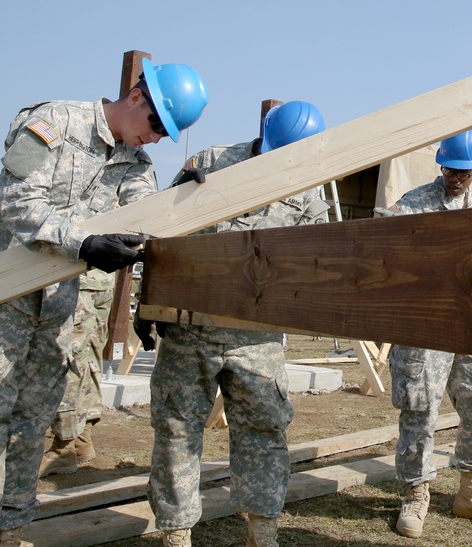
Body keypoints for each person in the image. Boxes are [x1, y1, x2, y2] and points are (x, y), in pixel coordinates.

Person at [0, 59, 209, 544]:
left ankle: (10, 527)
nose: (156, 138)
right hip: (8, 301)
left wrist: (176, 200)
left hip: (57, 313)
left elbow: (140, 224)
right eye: (157, 124)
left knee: (33, 422)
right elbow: (13, 204)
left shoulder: (135, 164)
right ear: (136, 98)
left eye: (167, 134)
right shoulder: (53, 122)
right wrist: (80, 243)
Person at [146, 100, 329, 547]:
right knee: (176, 428)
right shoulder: (211, 163)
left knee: (264, 430)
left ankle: (262, 530)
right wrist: (149, 305)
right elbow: (158, 233)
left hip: (257, 339)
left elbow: (319, 260)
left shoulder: (309, 191)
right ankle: (175, 532)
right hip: (191, 330)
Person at [384, 127, 472, 539]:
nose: (455, 178)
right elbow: (390, 257)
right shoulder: (413, 206)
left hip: (470, 328)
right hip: (426, 326)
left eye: (464, 172)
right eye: (449, 170)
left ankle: (471, 491)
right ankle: (415, 494)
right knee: (420, 410)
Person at [38, 268, 115, 477]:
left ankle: (63, 448)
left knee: (69, 361)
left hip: (78, 275)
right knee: (89, 355)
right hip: (102, 276)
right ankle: (82, 439)